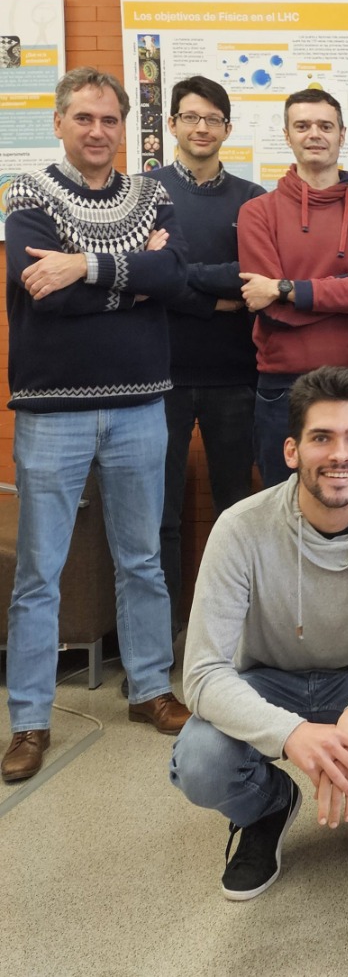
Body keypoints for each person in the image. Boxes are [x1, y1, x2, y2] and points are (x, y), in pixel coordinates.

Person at [170, 366, 348, 901]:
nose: (340, 454)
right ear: (292, 451)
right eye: (322, 438)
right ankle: (268, 808)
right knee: (199, 762)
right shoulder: (239, 527)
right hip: (268, 680)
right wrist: (292, 734)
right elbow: (202, 674)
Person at [3, 68, 193, 783]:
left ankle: (149, 687)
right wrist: (131, 274)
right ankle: (29, 718)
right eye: (83, 117)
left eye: (109, 118)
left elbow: (174, 276)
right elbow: (41, 297)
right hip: (53, 411)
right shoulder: (26, 194)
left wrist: (83, 265)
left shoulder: (150, 193)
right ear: (58, 123)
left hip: (141, 403)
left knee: (141, 557)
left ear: (124, 126)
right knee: (39, 573)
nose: (97, 130)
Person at [152, 75, 265, 629]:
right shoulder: (143, 192)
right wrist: (209, 300)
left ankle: (231, 632)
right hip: (158, 376)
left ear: (227, 128)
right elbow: (141, 281)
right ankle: (164, 636)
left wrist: (177, 276)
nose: (202, 127)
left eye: (213, 118)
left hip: (235, 376)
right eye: (191, 116)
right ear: (172, 123)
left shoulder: (252, 200)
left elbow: (253, 275)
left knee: (235, 510)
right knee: (162, 515)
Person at [238, 89, 348, 487]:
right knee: (280, 508)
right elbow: (268, 307)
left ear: (342, 134)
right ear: (287, 136)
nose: (315, 134)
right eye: (303, 126)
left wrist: (285, 287)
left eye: (325, 126)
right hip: (283, 384)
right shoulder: (257, 212)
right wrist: (344, 287)